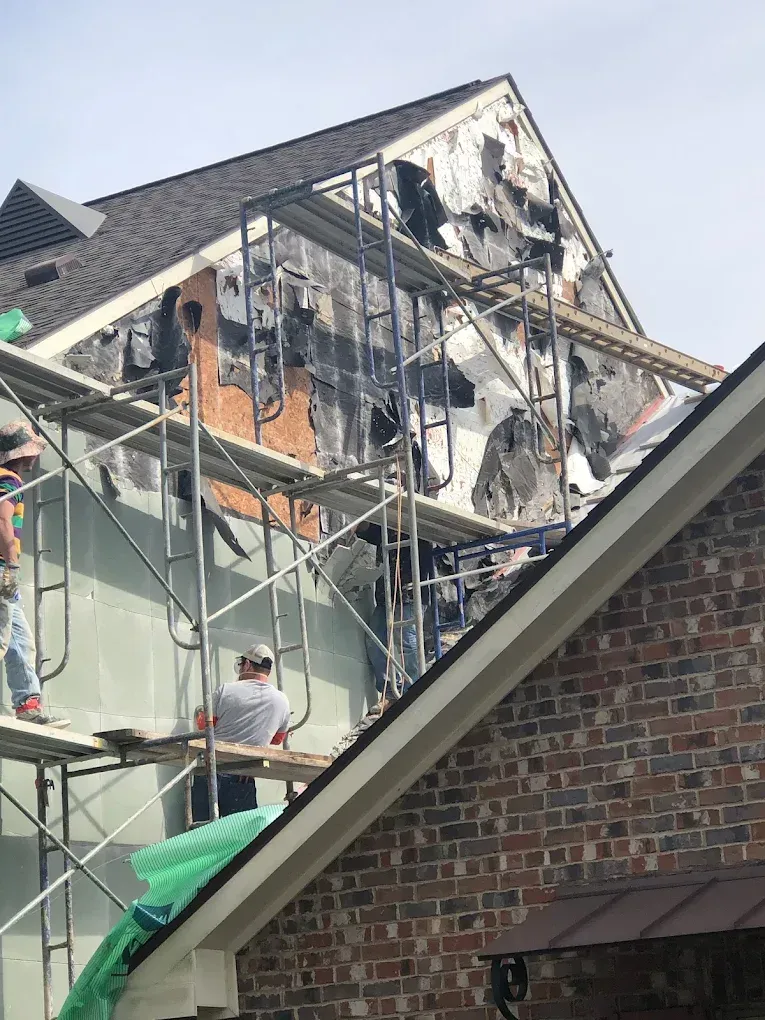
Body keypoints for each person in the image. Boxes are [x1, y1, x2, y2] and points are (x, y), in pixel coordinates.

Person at [0, 421, 69, 727]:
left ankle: (28, 704)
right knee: (2, 636)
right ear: (20, 453)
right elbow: (2, 520)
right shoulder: (8, 480)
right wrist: (11, 563)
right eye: (30, 451)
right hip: (1, 571)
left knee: (18, 640)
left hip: (4, 576)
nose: (34, 457)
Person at [191, 643, 291, 822]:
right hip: (243, 777)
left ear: (247, 665)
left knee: (201, 835)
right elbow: (277, 739)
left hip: (210, 771)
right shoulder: (281, 701)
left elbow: (204, 726)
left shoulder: (225, 691)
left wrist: (201, 713)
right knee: (241, 837)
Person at [354, 521, 431, 697]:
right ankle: (391, 692)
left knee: (406, 642)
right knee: (375, 642)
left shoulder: (419, 525)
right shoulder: (385, 526)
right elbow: (364, 530)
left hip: (410, 595)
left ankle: (414, 689)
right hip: (386, 596)